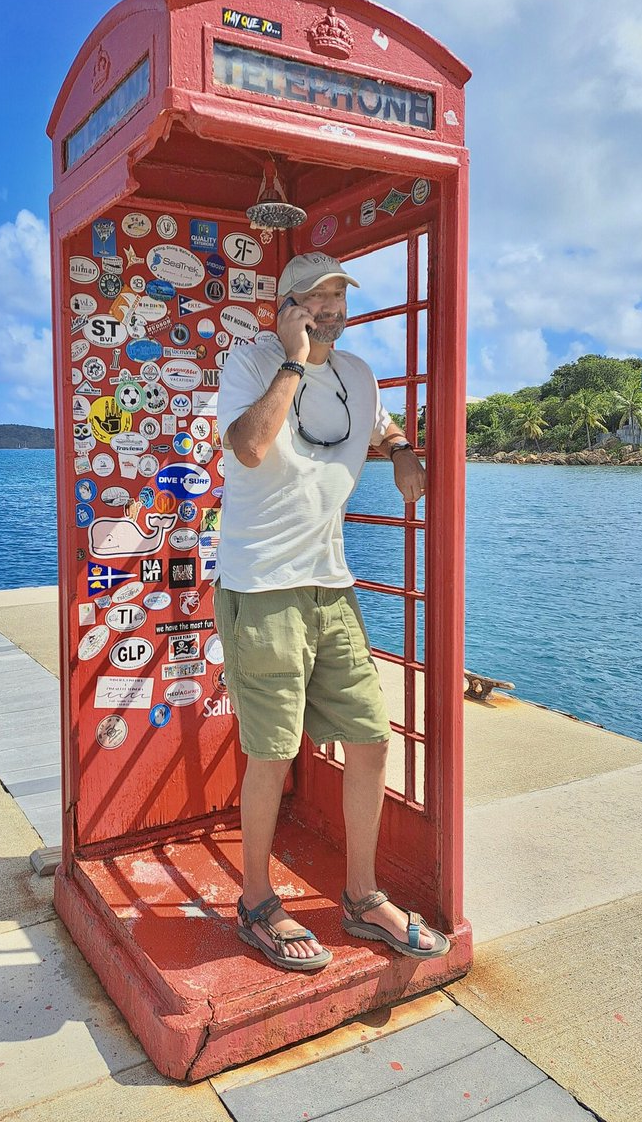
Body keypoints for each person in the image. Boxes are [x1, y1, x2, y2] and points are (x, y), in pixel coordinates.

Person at [214, 251, 450, 971]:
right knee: (273, 752)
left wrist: (405, 448)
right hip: (260, 587)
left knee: (371, 738)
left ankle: (360, 894)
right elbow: (250, 447)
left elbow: (379, 422)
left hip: (331, 584)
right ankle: (255, 902)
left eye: (339, 301)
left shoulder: (357, 373)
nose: (331, 313)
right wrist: (293, 360)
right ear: (285, 308)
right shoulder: (251, 364)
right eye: (315, 302)